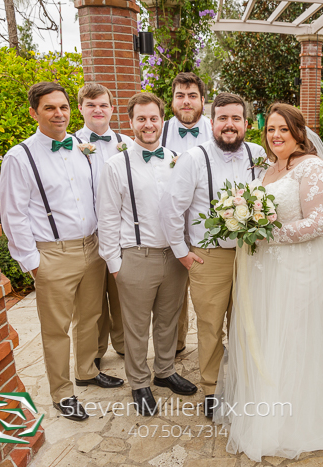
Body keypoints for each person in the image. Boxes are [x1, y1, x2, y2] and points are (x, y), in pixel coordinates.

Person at [213, 103, 323, 461]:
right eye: (271, 129)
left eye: (283, 130)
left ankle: (304, 421)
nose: (276, 136)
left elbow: (320, 222)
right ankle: (268, 413)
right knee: (274, 335)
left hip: (303, 267)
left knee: (299, 336)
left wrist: (265, 235)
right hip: (269, 269)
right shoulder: (269, 169)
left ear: (299, 133)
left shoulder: (313, 167)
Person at [0, 82, 123, 422]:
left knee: (90, 318)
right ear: (34, 112)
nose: (59, 114)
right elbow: (13, 214)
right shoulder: (19, 157)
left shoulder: (82, 150)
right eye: (50, 108)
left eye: (63, 107)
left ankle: (86, 371)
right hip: (52, 255)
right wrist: (33, 263)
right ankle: (62, 393)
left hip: (92, 247)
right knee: (56, 329)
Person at [160, 92, 266, 418]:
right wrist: (183, 253)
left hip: (251, 254)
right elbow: (171, 209)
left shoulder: (259, 155)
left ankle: (246, 383)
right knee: (209, 325)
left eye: (236, 118)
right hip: (209, 257)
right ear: (212, 122)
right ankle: (211, 387)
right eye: (222, 119)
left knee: (248, 323)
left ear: (246, 123)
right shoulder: (194, 158)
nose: (229, 125)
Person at [97, 92, 197, 416]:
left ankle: (165, 371)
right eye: (141, 119)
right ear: (130, 123)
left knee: (168, 321)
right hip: (135, 257)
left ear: (162, 120)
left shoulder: (178, 160)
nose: (148, 124)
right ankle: (139, 382)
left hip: (175, 257)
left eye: (153, 118)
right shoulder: (115, 165)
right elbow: (108, 217)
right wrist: (115, 264)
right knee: (136, 327)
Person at [75, 83, 134, 371]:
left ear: (111, 108)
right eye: (91, 105)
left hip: (121, 235)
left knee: (122, 294)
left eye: (103, 104)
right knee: (91, 303)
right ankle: (96, 352)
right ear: (81, 109)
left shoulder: (127, 143)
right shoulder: (72, 145)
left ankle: (123, 344)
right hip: (88, 237)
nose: (98, 110)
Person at [160, 72, 214, 357]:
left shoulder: (218, 129)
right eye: (180, 95)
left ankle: (217, 345)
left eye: (192, 95)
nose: (186, 101)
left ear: (203, 100)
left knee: (214, 299)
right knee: (172, 300)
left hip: (211, 234)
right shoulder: (158, 131)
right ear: (172, 101)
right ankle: (175, 347)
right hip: (172, 233)